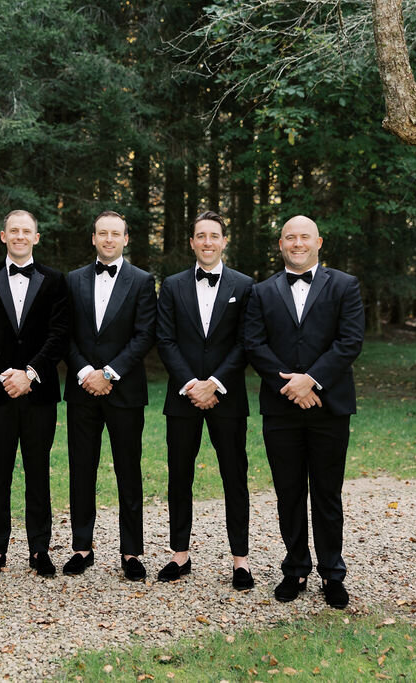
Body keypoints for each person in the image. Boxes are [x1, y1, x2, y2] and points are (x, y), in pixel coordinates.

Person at [243, 215, 364, 609]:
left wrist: (311, 380)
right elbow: (254, 344)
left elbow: (349, 342)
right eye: (290, 238)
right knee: (289, 492)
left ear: (319, 242)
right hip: (281, 410)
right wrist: (289, 387)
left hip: (329, 407)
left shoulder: (345, 286)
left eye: (305, 237)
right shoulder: (261, 292)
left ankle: (332, 572)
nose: (298, 243)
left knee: (327, 493)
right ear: (281, 244)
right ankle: (295, 567)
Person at [156, 210, 256, 588]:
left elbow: (246, 341)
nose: (208, 242)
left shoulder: (245, 286)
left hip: (227, 398)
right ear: (193, 242)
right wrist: (191, 384)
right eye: (201, 236)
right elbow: (164, 339)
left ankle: (240, 560)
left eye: (214, 235)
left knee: (235, 476)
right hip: (182, 398)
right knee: (180, 476)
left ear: (224, 241)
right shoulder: (173, 284)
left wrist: (214, 383)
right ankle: (180, 555)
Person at [0, 209, 68, 577]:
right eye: (14, 230)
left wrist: (30, 373)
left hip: (39, 393)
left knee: (38, 471)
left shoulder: (56, 281)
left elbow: (59, 335)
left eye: (27, 231)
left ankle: (40, 549)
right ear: (3, 236)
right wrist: (5, 375)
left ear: (36, 238)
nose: (21, 236)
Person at [62, 211, 156, 581]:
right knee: (81, 469)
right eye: (102, 233)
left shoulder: (142, 281)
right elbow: (64, 333)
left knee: (128, 471)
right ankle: (82, 548)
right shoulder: (72, 280)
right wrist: (86, 372)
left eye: (115, 234)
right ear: (93, 238)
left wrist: (110, 373)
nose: (109, 239)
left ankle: (131, 552)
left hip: (125, 391)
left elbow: (144, 334)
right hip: (82, 389)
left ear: (125, 239)